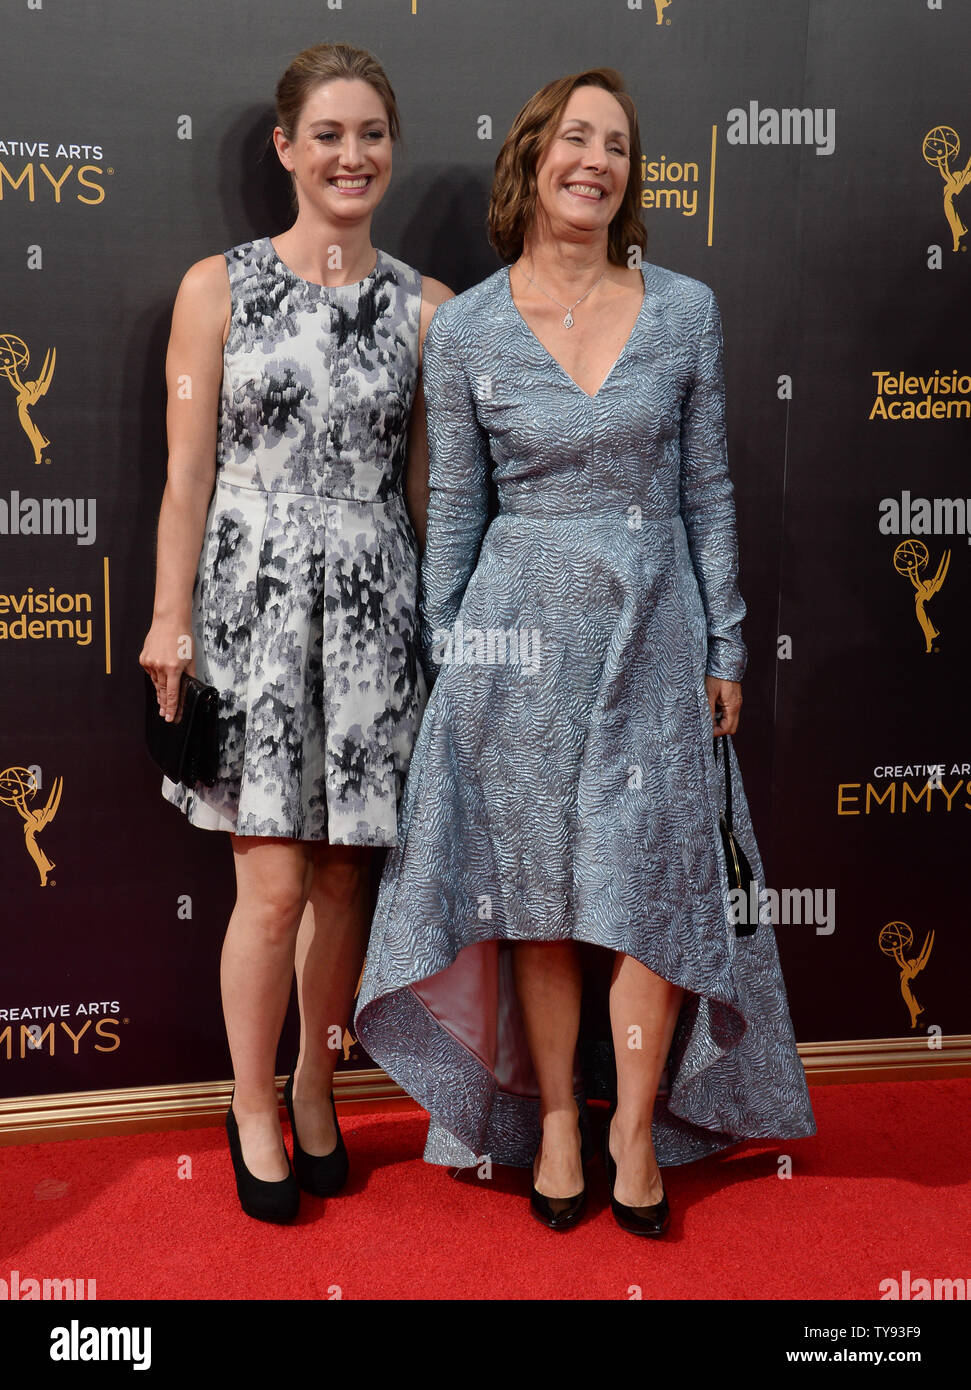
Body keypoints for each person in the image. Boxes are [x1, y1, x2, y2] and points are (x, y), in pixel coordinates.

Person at [356, 67, 816, 1236]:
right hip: (512, 645)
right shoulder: (460, 328)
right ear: (532, 157)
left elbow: (706, 489)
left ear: (629, 174)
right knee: (542, 897)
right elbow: (452, 513)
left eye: (614, 145)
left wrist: (726, 643)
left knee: (651, 887)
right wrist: (444, 663)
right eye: (574, 138)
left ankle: (631, 1127)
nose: (594, 161)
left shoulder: (683, 309)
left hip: (652, 630)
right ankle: (557, 1117)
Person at [139, 41, 451, 1223]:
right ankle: (253, 1102)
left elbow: (427, 497)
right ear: (284, 148)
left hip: (375, 610)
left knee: (342, 882)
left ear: (391, 147)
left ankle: (320, 1080)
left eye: (370, 132)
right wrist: (169, 619)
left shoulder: (430, 310)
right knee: (267, 886)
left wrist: (448, 636)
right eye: (327, 133)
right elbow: (184, 476)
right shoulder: (213, 288)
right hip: (252, 606)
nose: (351, 154)